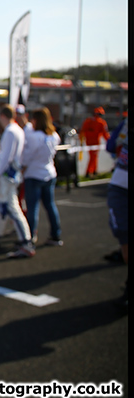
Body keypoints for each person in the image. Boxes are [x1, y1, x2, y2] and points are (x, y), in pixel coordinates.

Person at [0, 104, 34, 258]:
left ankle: (26, 242)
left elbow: (5, 159)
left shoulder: (10, 132)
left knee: (11, 208)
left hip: (6, 176)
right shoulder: (17, 130)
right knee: (2, 207)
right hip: (11, 175)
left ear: (2, 116)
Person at [21, 107, 63, 247]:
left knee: (33, 207)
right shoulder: (53, 136)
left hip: (34, 175)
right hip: (49, 173)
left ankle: (30, 236)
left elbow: (27, 156)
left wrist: (22, 169)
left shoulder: (34, 136)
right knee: (50, 205)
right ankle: (55, 234)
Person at [105, 114, 128, 308]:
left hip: (121, 183)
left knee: (124, 233)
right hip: (121, 184)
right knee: (124, 234)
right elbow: (111, 146)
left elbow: (111, 146)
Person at [80, 106, 110, 178]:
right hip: (95, 143)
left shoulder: (87, 121)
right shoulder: (101, 122)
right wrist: (109, 142)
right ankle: (89, 172)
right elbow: (105, 134)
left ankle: (94, 171)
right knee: (93, 157)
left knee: (94, 157)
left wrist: (81, 140)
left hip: (89, 142)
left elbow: (82, 132)